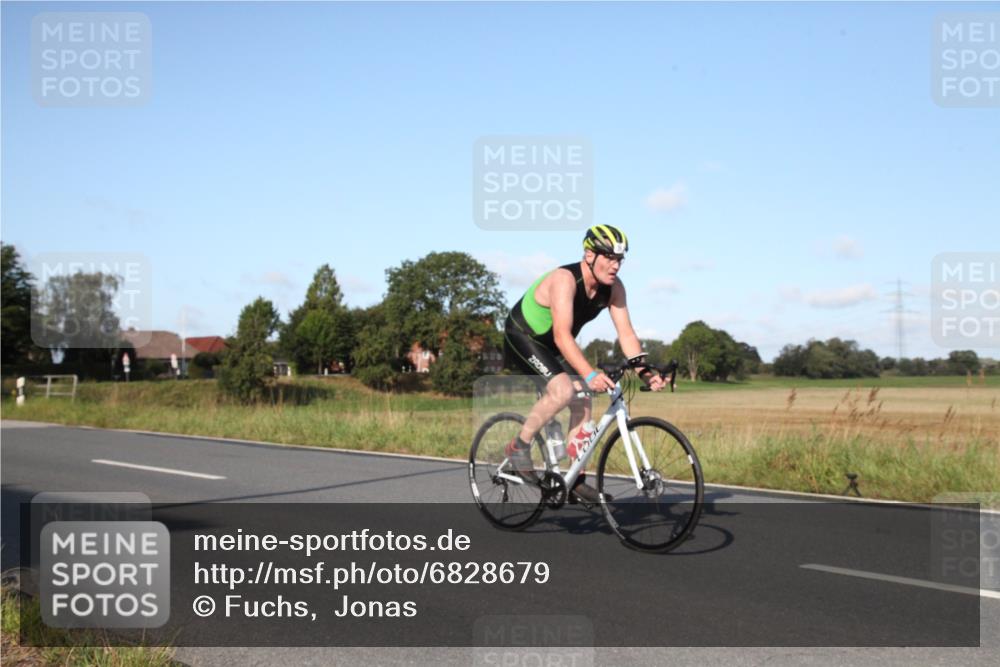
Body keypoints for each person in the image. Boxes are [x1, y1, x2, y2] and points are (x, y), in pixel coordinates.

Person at [502, 225, 667, 504]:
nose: (615, 266)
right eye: (609, 258)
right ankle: (519, 446)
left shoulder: (614, 288)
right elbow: (562, 335)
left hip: (555, 345)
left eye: (619, 259)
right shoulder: (564, 280)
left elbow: (626, 333)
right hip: (524, 337)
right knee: (564, 391)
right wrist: (590, 374)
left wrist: (645, 372)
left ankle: (575, 480)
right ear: (589, 255)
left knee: (583, 398)